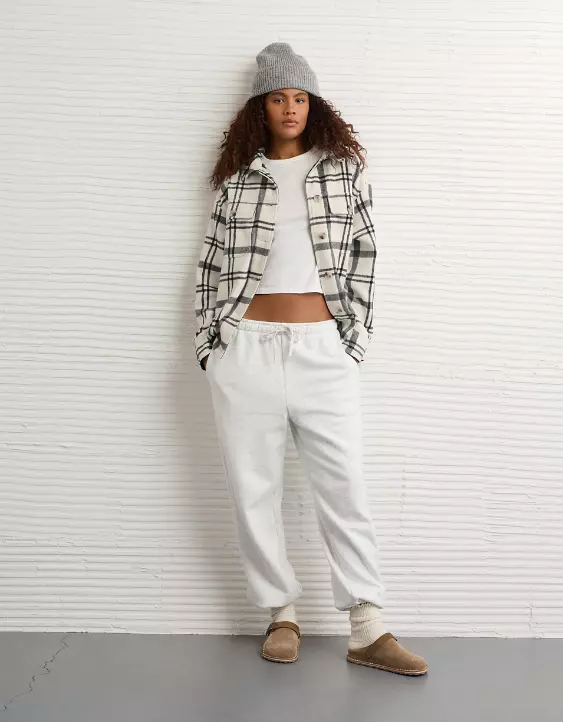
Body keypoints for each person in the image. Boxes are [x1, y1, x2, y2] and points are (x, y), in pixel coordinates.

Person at [193, 42, 428, 676]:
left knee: (344, 484)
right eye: (279, 98)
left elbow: (365, 256)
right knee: (253, 488)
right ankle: (281, 615)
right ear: (260, 107)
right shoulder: (238, 180)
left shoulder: (342, 171)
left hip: (323, 348)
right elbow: (210, 264)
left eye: (300, 97)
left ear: (314, 104)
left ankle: (367, 626)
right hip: (245, 349)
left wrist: (353, 341)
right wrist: (211, 346)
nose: (291, 108)